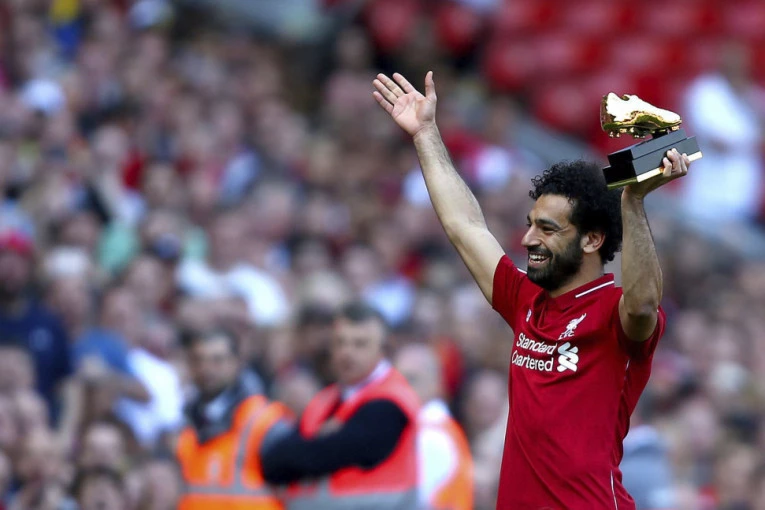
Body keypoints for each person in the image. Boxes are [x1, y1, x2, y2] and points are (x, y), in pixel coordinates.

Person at [373, 71, 691, 508]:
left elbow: (642, 306)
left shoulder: (614, 313)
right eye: (530, 226)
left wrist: (632, 203)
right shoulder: (525, 299)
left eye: (547, 229)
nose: (527, 240)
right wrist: (426, 134)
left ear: (592, 240)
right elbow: (465, 226)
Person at [261, 302, 421, 510]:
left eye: (360, 344)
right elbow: (274, 462)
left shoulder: (391, 402)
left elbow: (329, 454)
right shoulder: (324, 400)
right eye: (340, 342)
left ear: (384, 349)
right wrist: (321, 445)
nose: (347, 352)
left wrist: (317, 444)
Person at [175, 330, 291, 510]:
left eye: (217, 360)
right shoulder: (184, 423)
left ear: (236, 363)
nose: (206, 368)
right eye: (198, 360)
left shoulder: (264, 421)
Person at [394, 343, 473, 510]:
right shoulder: (436, 427)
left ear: (437, 383)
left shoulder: (431, 435)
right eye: (397, 380)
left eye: (412, 379)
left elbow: (412, 501)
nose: (402, 387)